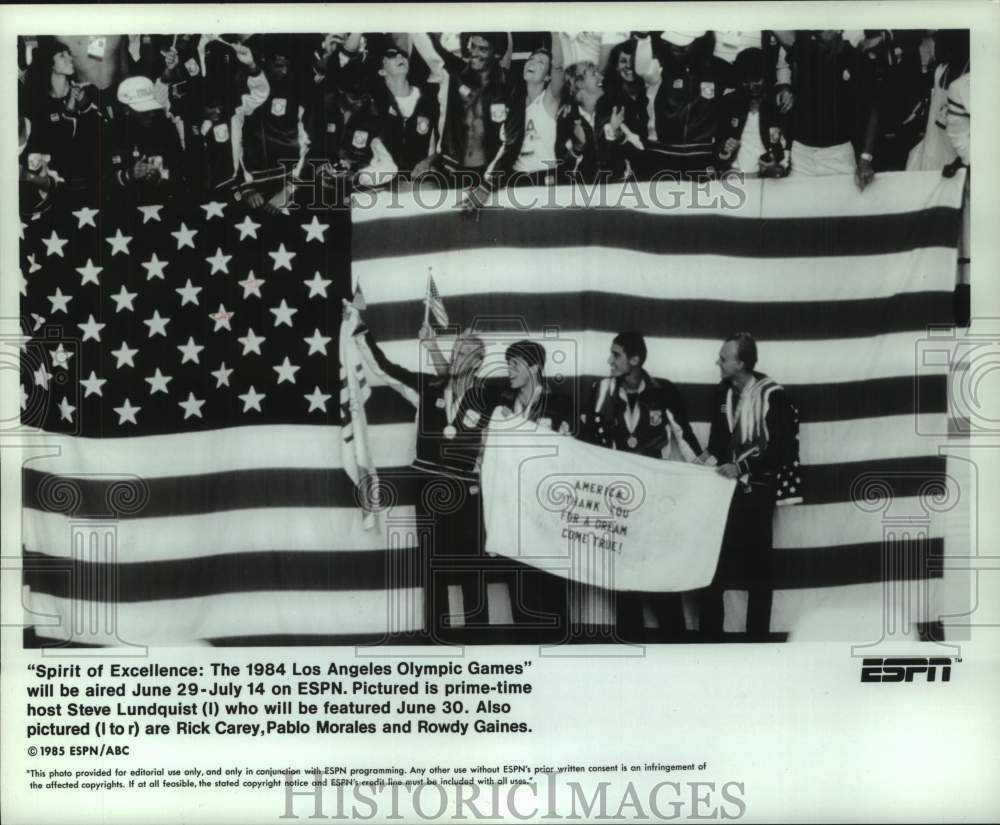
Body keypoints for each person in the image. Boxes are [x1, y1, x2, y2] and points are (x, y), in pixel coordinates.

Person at [352, 311, 502, 643]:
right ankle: (437, 637)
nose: (458, 357)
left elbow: (500, 448)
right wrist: (361, 332)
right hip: (429, 490)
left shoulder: (487, 400)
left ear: (478, 363)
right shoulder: (425, 386)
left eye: (467, 353)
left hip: (467, 494)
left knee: (471, 567)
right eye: (456, 351)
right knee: (433, 564)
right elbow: (386, 370)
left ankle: (480, 641)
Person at [578, 332, 702, 642]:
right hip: (619, 500)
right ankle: (629, 650)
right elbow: (587, 443)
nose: (609, 360)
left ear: (634, 360)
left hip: (656, 499)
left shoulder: (663, 391)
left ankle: (674, 646)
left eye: (616, 355)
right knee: (622, 578)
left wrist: (712, 472)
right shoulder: (600, 391)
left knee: (660, 574)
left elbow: (685, 438)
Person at [695, 333, 802, 642]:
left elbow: (780, 448)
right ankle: (708, 641)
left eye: (723, 358)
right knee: (711, 566)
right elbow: (717, 444)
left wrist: (742, 467)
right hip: (723, 495)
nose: (718, 362)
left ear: (741, 363)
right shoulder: (722, 394)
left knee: (759, 573)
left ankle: (757, 644)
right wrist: (697, 465)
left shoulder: (773, 396)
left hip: (756, 493)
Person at [491, 340, 574, 642]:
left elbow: (575, 456)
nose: (509, 370)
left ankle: (559, 650)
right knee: (520, 587)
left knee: (551, 584)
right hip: (514, 509)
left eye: (516, 364)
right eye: (507, 363)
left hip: (549, 510)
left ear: (535, 367)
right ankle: (525, 654)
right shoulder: (501, 406)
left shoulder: (561, 404)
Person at [784, 30, 879, 189]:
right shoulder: (804, 48)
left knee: (841, 212)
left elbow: (872, 111)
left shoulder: (856, 57)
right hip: (801, 157)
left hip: (839, 157)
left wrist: (865, 158)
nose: (817, 29)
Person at [633, 31, 736, 178]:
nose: (675, 48)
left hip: (702, 155)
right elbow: (642, 70)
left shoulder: (719, 69)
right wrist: (643, 39)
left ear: (698, 42)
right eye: (673, 43)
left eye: (683, 45)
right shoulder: (660, 66)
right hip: (663, 154)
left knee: (701, 200)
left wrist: (725, 142)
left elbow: (735, 107)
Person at [424, 32, 510, 184]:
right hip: (452, 167)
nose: (474, 53)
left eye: (482, 49)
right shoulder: (458, 72)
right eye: (473, 46)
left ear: (496, 54)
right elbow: (435, 48)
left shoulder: (509, 85)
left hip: (489, 171)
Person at [481, 37, 565, 187]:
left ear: (548, 76)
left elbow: (558, 66)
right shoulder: (514, 104)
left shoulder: (549, 101)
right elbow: (506, 147)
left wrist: (554, 27)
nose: (532, 62)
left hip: (543, 179)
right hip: (515, 179)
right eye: (531, 59)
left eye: (540, 62)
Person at [368, 42, 440, 180]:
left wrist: (429, 162)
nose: (400, 57)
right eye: (391, 56)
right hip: (385, 185)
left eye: (403, 55)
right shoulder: (375, 106)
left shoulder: (430, 99)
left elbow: (445, 144)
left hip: (422, 181)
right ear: (382, 71)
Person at [715, 47, 789, 177]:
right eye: (745, 80)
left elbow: (787, 148)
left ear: (766, 75)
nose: (751, 86)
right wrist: (725, 150)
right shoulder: (728, 103)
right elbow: (718, 151)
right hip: (734, 175)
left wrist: (777, 167)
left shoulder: (777, 104)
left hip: (768, 179)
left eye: (755, 79)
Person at [111, 74, 185, 202]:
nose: (151, 114)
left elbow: (181, 169)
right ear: (126, 110)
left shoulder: (165, 127)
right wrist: (129, 174)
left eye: (152, 108)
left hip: (163, 200)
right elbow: (103, 181)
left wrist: (161, 176)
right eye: (144, 111)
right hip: (127, 208)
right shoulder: (113, 133)